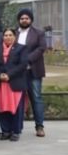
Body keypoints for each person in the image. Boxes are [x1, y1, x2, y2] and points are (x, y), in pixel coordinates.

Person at [16, 8, 47, 137]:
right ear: (19, 20)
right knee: (17, 99)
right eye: (22, 18)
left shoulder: (38, 33)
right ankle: (16, 127)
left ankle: (39, 126)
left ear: (31, 20)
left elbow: (41, 48)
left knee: (36, 98)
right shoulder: (14, 32)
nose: (24, 20)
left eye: (27, 18)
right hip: (18, 72)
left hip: (33, 70)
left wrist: (27, 59)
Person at [0, 29, 28, 141]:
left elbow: (23, 65)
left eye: (10, 35)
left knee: (16, 108)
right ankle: (5, 131)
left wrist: (9, 75)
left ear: (14, 37)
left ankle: (16, 131)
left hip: (15, 82)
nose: (8, 37)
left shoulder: (21, 48)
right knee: (3, 107)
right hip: (1, 83)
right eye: (5, 35)